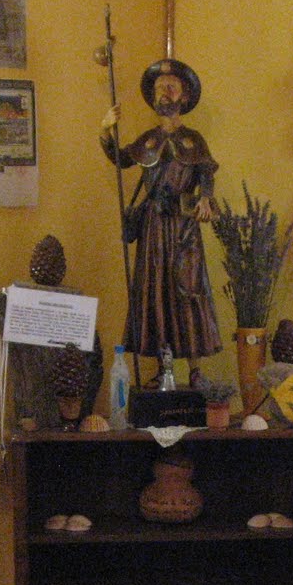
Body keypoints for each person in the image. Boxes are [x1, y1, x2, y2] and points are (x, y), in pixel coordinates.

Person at [101, 58, 221, 378]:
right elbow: (120, 158)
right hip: (153, 226)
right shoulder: (148, 141)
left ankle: (195, 370)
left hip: (183, 227)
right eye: (159, 88)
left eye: (171, 87)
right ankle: (163, 369)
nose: (164, 92)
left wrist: (205, 198)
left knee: (188, 290)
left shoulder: (194, 140)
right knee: (155, 291)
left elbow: (206, 171)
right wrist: (106, 129)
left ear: (184, 96)